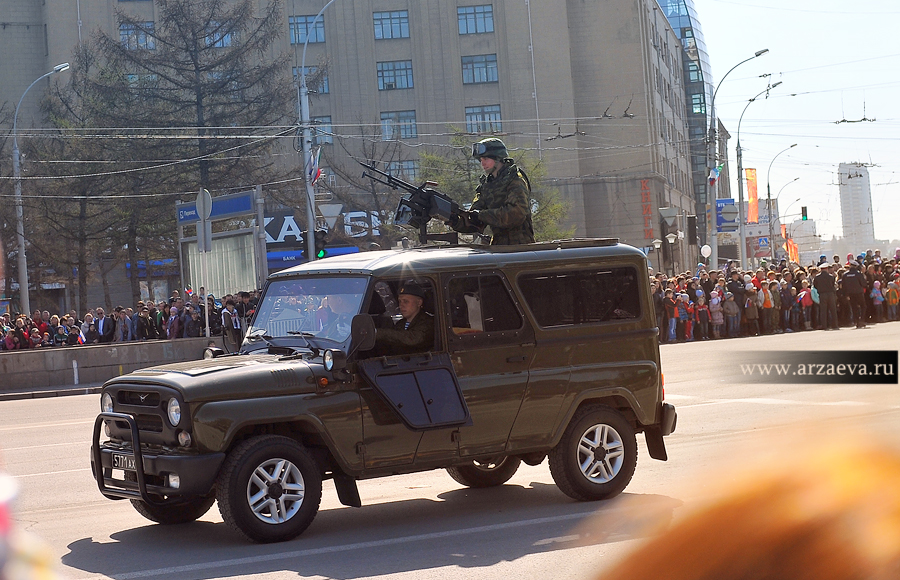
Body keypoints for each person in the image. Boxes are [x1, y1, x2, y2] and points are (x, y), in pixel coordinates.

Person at [450, 137, 535, 245]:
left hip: (520, 248)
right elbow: (474, 221)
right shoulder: (487, 186)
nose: (482, 164)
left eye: (485, 159)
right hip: (498, 247)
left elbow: (516, 214)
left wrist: (482, 215)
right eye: (481, 160)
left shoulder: (515, 180)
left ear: (497, 158)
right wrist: (455, 220)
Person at [372, 280, 435, 356]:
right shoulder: (400, 323)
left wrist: (377, 333)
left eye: (406, 301)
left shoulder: (428, 322)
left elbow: (412, 339)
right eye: (400, 301)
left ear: (419, 303)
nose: (401, 305)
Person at [842, 260, 868, 328]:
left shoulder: (845, 275)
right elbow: (864, 284)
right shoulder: (858, 274)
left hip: (850, 294)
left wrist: (846, 295)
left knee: (854, 308)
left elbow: (843, 286)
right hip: (859, 293)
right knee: (863, 306)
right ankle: (861, 320)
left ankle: (857, 321)